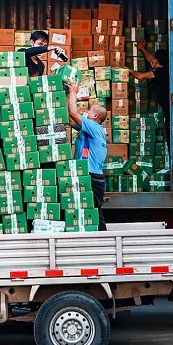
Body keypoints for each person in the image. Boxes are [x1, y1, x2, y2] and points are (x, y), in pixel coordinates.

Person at [64, 77, 108, 231]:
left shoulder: (94, 127)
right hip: (87, 174)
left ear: (95, 116)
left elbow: (74, 113)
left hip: (92, 176)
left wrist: (74, 91)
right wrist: (66, 96)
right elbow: (68, 118)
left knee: (95, 211)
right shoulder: (89, 129)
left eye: (89, 111)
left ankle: (104, 242)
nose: (86, 112)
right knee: (85, 210)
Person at [131, 41, 170, 138]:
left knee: (170, 131)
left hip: (169, 108)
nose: (152, 58)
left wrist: (129, 70)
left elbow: (141, 77)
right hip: (167, 106)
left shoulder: (159, 72)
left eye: (154, 57)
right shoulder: (164, 70)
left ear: (157, 61)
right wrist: (142, 49)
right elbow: (151, 59)